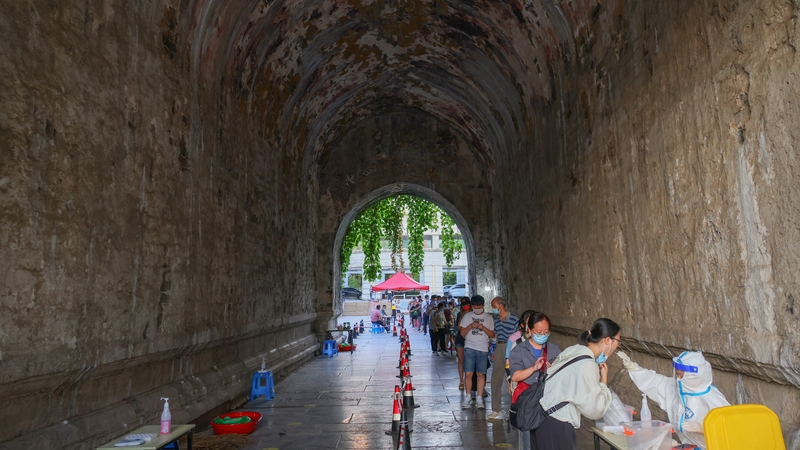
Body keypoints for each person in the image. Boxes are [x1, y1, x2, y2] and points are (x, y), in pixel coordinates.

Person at [534, 318, 620, 450]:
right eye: (617, 341)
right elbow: (595, 410)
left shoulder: (574, 350)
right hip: (558, 425)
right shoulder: (588, 365)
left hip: (543, 418)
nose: (617, 346)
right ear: (608, 340)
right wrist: (603, 380)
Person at [616, 350, 730, 448]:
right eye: (677, 374)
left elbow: (729, 428)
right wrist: (633, 368)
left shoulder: (713, 399)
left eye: (682, 375)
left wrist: (704, 429)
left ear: (694, 377)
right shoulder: (677, 390)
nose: (678, 379)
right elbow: (655, 382)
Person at [508, 312, 562, 450]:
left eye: (546, 331)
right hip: (527, 402)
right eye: (539, 332)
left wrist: (555, 368)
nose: (542, 335)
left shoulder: (554, 349)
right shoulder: (519, 350)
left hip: (549, 400)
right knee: (527, 441)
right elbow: (515, 376)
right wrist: (533, 368)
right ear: (529, 330)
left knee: (547, 440)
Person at [459, 295, 495, 409]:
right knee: (468, 373)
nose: (477, 308)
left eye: (479, 306)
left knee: (481, 374)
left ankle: (479, 398)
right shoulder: (467, 316)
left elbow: (492, 335)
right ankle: (468, 396)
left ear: (483, 305)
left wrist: (482, 328)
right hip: (469, 347)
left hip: (483, 348)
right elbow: (462, 333)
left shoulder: (489, 318)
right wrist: (470, 326)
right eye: (474, 306)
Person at [488, 297, 519, 420]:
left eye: (494, 306)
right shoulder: (496, 320)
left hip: (511, 347)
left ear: (500, 306)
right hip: (499, 347)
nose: (493, 309)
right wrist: (495, 349)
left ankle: (513, 409)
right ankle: (496, 409)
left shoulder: (514, 319)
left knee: (513, 379)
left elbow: (517, 337)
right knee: (496, 378)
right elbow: (496, 336)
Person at [454, 297, 470, 390]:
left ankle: (466, 378)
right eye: (463, 305)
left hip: (470, 339)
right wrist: (462, 317)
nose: (465, 307)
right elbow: (457, 327)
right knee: (461, 360)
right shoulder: (460, 314)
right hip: (460, 339)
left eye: (466, 305)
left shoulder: (473, 314)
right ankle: (461, 380)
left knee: (469, 360)